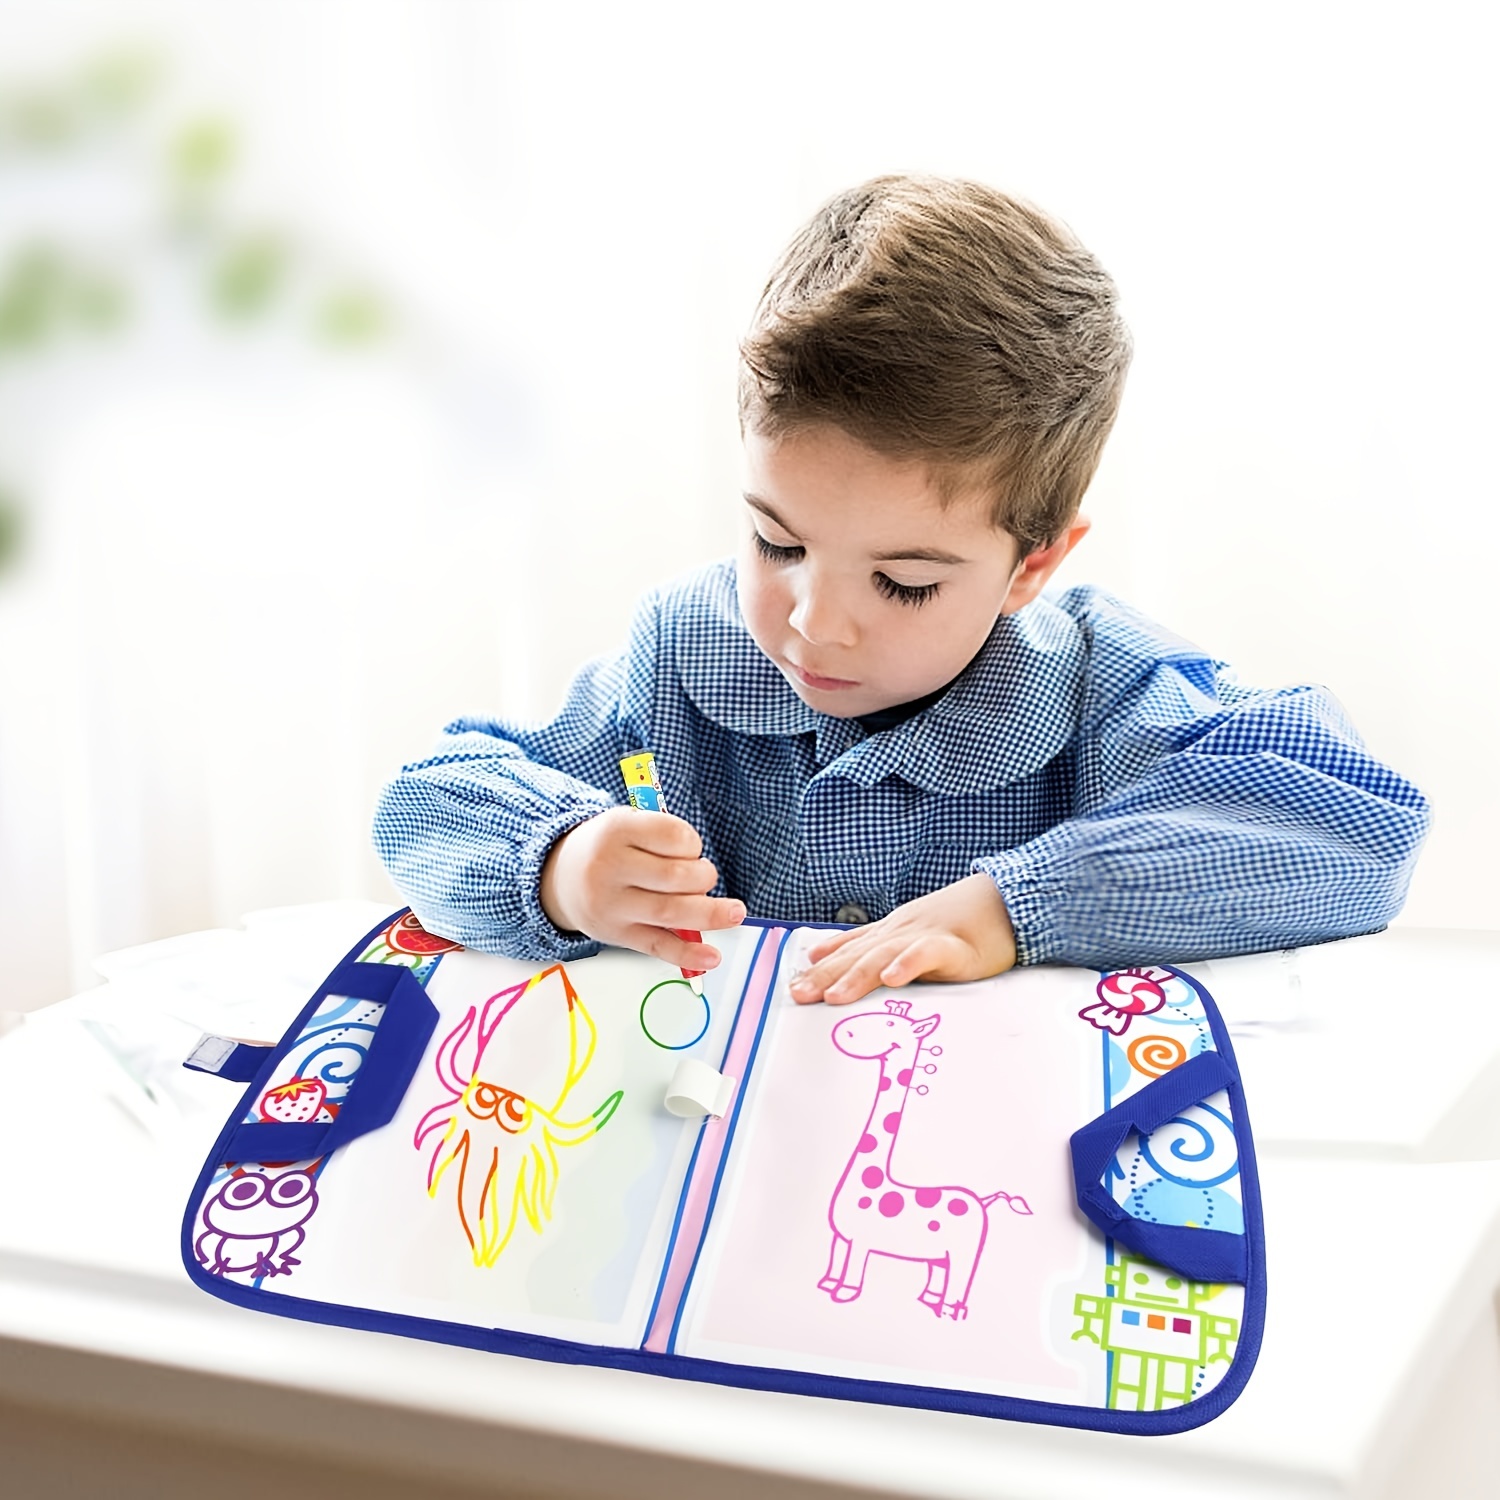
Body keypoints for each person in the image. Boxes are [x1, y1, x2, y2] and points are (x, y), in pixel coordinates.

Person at [372, 175, 1429, 1006]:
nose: (815, 622)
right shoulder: (680, 664)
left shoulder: (1103, 689)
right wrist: (561, 862)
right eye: (776, 542)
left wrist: (1016, 908)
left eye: (905, 583)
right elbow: (426, 803)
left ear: (1034, 566)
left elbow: (1358, 828)